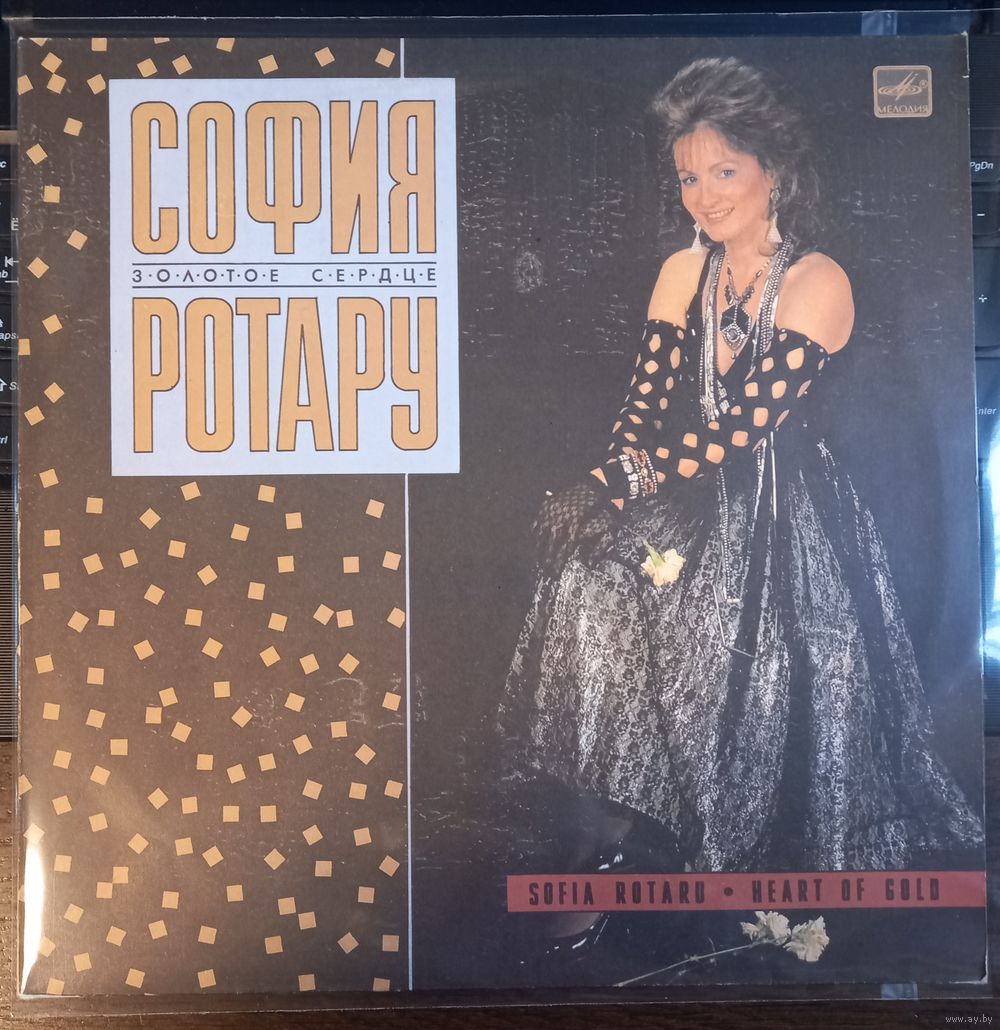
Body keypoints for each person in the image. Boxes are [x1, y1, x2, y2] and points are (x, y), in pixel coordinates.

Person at [498, 58, 984, 936]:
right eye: (689, 177)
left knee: (726, 644)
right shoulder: (682, 274)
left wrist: (612, 484)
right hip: (686, 500)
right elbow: (641, 411)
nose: (705, 196)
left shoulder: (817, 281)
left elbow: (740, 430)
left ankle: (723, 852)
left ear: (776, 172)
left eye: (725, 171)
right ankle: (608, 831)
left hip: (788, 525)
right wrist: (608, 497)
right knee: (588, 579)